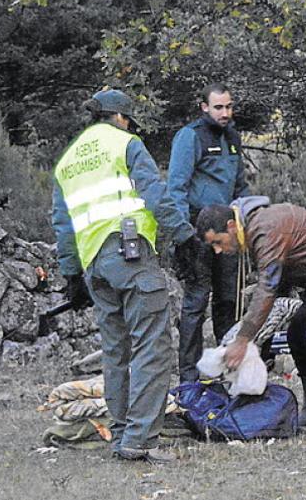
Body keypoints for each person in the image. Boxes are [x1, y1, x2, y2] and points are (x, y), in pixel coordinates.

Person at [52, 88, 203, 462]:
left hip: (94, 266)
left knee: (115, 352)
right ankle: (140, 439)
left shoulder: (67, 161)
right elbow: (154, 192)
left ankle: (121, 435)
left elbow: (62, 224)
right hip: (130, 254)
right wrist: (184, 236)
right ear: (121, 118)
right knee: (153, 345)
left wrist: (72, 274)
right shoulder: (125, 143)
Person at [195, 197, 306, 435]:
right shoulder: (252, 227)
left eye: (218, 242)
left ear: (230, 226)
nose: (218, 250)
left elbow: (268, 288)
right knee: (297, 335)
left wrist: (243, 339)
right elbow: (276, 287)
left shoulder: (265, 228)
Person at [168, 82, 251, 382]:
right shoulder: (190, 137)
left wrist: (248, 221)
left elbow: (240, 186)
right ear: (204, 107)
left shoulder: (232, 138)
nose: (225, 112)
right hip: (197, 228)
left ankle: (227, 369)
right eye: (219, 107)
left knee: (229, 301)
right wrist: (182, 234)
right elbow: (175, 187)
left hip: (228, 230)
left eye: (229, 106)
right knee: (196, 301)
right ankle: (188, 377)